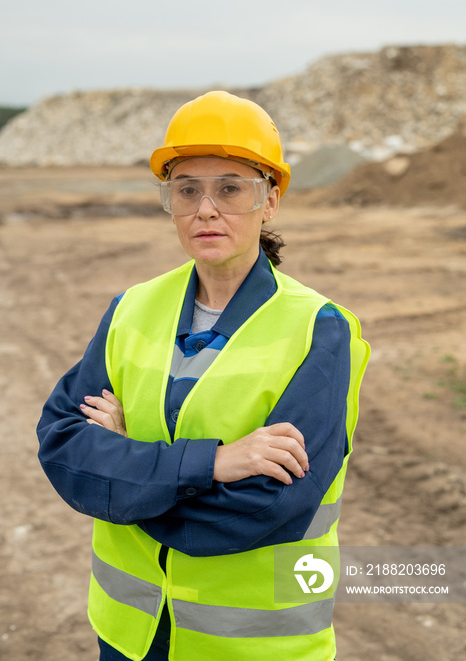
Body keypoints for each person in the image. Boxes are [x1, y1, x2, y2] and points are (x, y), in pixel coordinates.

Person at [37, 90, 370, 661]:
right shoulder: (132, 308)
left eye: (230, 188)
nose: (205, 209)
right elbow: (63, 445)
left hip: (249, 647)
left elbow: (267, 508)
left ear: (271, 200)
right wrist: (212, 464)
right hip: (131, 636)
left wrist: (129, 479)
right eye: (186, 189)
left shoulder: (319, 328)